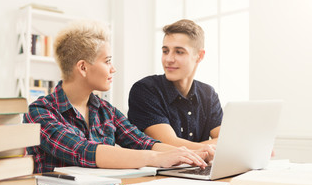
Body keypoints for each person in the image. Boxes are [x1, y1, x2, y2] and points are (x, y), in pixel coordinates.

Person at [23, 20, 214, 173]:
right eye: (107, 61)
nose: (113, 69)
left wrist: (194, 154)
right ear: (83, 67)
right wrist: (157, 159)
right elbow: (84, 151)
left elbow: (142, 143)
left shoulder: (106, 110)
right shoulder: (39, 112)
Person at [128, 19, 223, 150]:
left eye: (179, 52)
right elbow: (169, 144)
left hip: (196, 169)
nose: (168, 59)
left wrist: (211, 148)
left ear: (200, 56)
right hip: (158, 170)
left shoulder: (208, 94)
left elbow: (226, 141)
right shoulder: (145, 90)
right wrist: (212, 148)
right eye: (165, 51)